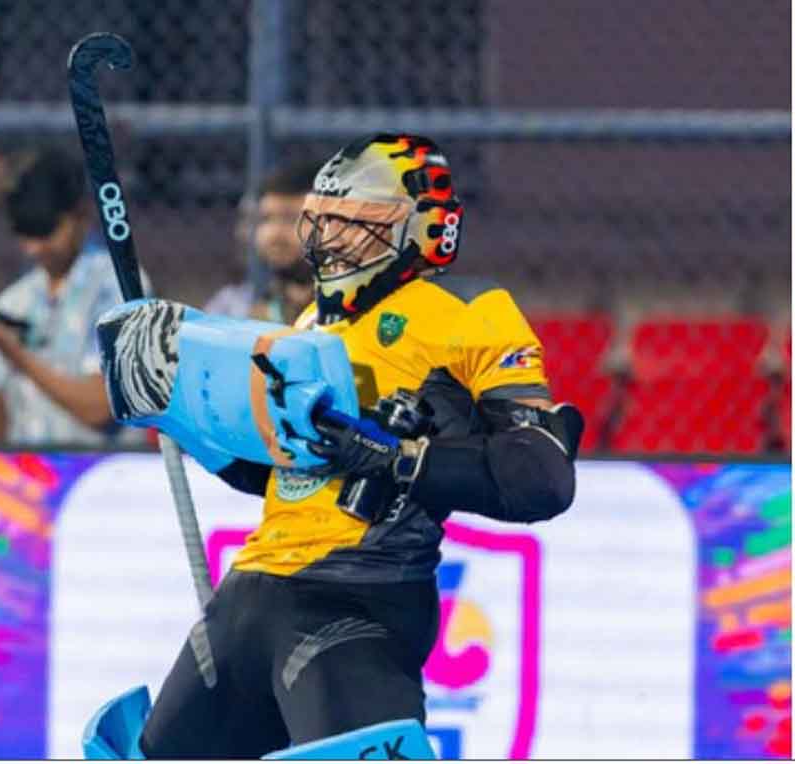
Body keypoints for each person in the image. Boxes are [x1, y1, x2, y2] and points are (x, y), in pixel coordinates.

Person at [138, 134, 584, 758]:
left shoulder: (468, 311)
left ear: (422, 230)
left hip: (354, 598)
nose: (331, 240)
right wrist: (180, 414)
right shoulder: (311, 324)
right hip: (249, 595)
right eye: (325, 222)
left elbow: (543, 476)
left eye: (357, 225)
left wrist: (397, 459)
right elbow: (278, 470)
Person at [0, 147, 150, 446]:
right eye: (23, 232)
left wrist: (9, 346)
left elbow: (100, 409)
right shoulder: (16, 299)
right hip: (27, 470)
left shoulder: (118, 286)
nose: (33, 248)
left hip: (101, 469)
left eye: (45, 231)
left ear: (80, 215)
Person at [203, 161, 320, 323]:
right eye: (266, 219)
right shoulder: (234, 308)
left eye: (291, 218)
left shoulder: (349, 312)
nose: (273, 234)